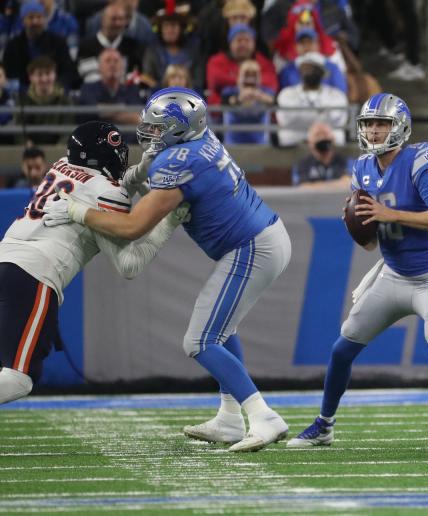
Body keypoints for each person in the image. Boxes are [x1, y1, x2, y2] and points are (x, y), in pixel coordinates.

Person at [42, 88, 291, 453]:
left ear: (178, 130)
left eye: (158, 128)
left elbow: (133, 228)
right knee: (222, 329)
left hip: (253, 247)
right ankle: (230, 417)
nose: (149, 133)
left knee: (200, 341)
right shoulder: (198, 139)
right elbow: (157, 166)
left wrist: (78, 211)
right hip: (262, 237)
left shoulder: (180, 162)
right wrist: (138, 172)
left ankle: (263, 414)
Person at [286, 93, 428, 448]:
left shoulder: (418, 161)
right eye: (368, 124)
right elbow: (370, 244)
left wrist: (391, 214)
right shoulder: (362, 168)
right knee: (342, 348)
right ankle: (324, 425)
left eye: (381, 123)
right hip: (393, 275)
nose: (372, 131)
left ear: (399, 127)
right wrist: (357, 225)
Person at [0, 121, 185, 404]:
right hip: (32, 275)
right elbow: (129, 265)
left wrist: (143, 168)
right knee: (18, 379)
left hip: (7, 260)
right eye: (117, 151)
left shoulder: (60, 165)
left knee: (16, 370)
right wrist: (171, 220)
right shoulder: (108, 194)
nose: (122, 156)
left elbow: (107, 186)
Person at [276, 52, 349, 146]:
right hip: (294, 147)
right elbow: (286, 120)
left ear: (322, 72)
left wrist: (301, 114)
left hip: (329, 146)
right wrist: (320, 113)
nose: (308, 72)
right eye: (305, 69)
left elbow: (336, 118)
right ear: (300, 72)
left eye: (313, 69)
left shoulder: (336, 95)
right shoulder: (286, 94)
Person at [2, 0, 77, 91]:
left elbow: (68, 71)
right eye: (31, 17)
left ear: (44, 19)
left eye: (39, 17)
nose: (35, 21)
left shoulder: (58, 42)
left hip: (54, 92)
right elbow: (10, 75)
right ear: (23, 21)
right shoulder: (13, 46)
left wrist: (56, 88)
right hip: (23, 94)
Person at [205, 24, 278, 107]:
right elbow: (216, 80)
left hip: (258, 107)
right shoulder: (216, 61)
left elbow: (271, 83)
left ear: (254, 43)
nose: (243, 44)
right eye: (239, 40)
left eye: (247, 40)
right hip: (223, 111)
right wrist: (246, 81)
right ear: (230, 43)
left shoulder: (264, 62)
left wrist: (250, 91)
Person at [75, 48, 146, 126]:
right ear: (99, 67)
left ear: (122, 66)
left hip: (125, 137)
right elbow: (93, 111)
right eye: (107, 61)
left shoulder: (132, 90)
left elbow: (137, 118)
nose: (112, 65)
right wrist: (123, 108)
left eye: (116, 61)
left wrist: (104, 113)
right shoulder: (87, 89)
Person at [76, 2, 143, 84]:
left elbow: (138, 76)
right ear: (103, 20)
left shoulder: (133, 46)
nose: (118, 23)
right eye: (113, 19)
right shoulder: (86, 46)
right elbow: (81, 76)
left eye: (121, 19)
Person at [13, 56, 74, 146]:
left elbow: (68, 130)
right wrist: (26, 145)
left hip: (58, 151)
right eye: (40, 74)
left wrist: (58, 148)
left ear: (54, 75)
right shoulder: (22, 100)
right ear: (31, 77)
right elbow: (19, 131)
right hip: (30, 152)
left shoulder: (65, 100)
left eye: (48, 73)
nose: (44, 79)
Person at [221, 59, 275, 145]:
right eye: (246, 74)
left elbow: (273, 101)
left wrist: (259, 96)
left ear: (259, 77)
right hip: (233, 147)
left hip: (260, 147)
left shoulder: (267, 92)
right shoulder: (229, 91)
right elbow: (226, 101)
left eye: (254, 74)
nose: (250, 78)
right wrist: (240, 98)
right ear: (239, 76)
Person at [291, 122, 352, 188]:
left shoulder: (346, 161)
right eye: (318, 135)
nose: (322, 138)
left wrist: (314, 186)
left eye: (325, 134)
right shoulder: (302, 165)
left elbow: (350, 184)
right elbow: (301, 188)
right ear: (310, 142)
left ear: (333, 138)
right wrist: (337, 184)